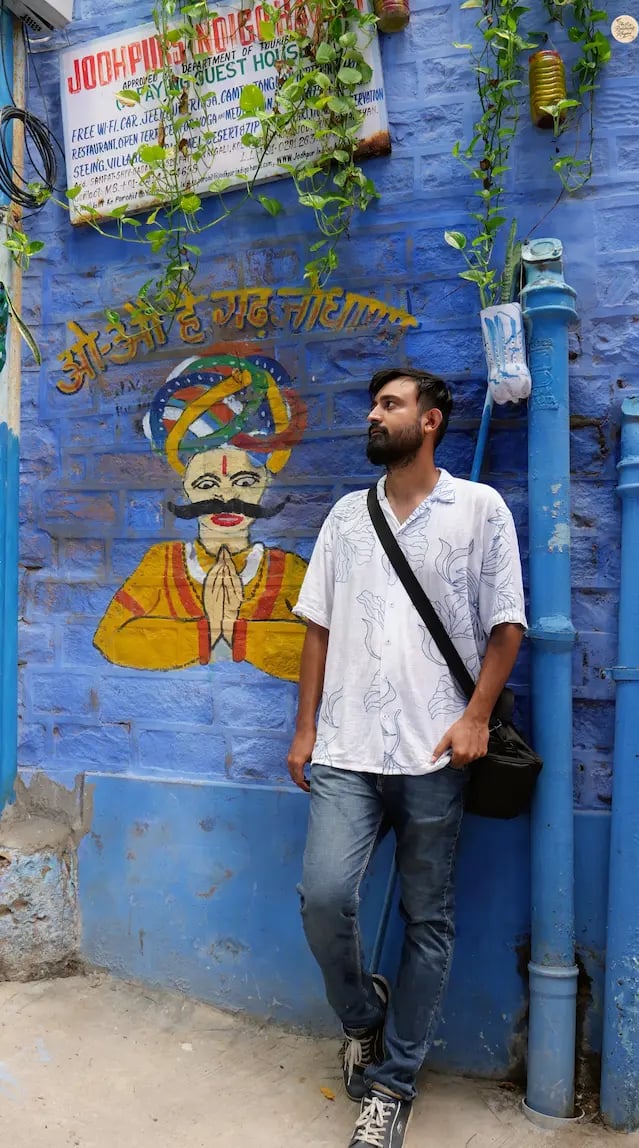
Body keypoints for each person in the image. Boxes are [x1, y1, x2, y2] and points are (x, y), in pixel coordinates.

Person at [287, 367, 527, 1148]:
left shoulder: (479, 510)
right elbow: (316, 627)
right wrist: (304, 730)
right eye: (373, 404)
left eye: (389, 404)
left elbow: (508, 624)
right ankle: (363, 1014)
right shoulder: (345, 518)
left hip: (435, 754)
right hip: (347, 750)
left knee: (430, 921)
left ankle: (391, 1086)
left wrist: (476, 718)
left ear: (430, 420)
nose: (373, 414)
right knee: (324, 897)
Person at [94, 352, 308, 679]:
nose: (225, 497)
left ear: (265, 484)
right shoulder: (162, 564)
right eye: (207, 483)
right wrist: (206, 632)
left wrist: (237, 632)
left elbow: (330, 651)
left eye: (244, 481)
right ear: (187, 488)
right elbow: (110, 637)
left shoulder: (287, 570)